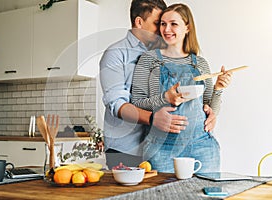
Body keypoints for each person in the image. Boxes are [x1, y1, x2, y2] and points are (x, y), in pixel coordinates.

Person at [99, 0, 216, 169]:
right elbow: (116, 104)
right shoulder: (116, 54)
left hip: (160, 145)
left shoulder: (166, 52)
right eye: (158, 23)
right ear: (139, 22)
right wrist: (153, 119)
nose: (163, 30)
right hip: (126, 148)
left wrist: (209, 112)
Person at [131, 3, 232, 173]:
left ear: (187, 28)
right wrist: (165, 98)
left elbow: (208, 108)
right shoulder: (148, 60)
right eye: (163, 23)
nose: (166, 29)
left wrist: (218, 88)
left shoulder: (200, 63)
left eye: (173, 24)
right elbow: (137, 103)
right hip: (161, 147)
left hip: (202, 146)